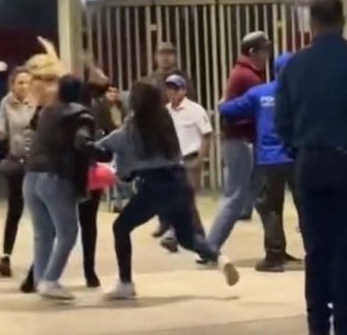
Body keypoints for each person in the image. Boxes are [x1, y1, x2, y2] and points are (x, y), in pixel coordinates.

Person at [275, 0, 347, 335]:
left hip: (310, 165)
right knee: (345, 249)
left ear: (311, 23)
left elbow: (281, 119)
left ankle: (316, 326)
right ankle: (345, 325)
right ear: (343, 20)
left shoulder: (294, 66)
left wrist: (298, 149)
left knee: (316, 251)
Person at [95, 81, 239, 300]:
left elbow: (112, 146)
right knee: (187, 237)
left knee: (120, 227)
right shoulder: (165, 120)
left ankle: (125, 283)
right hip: (180, 182)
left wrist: (88, 146)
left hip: (155, 186)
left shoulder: (134, 125)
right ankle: (220, 259)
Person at [219, 52, 302, 273]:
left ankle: (274, 257)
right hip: (297, 157)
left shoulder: (259, 93)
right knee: (306, 206)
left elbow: (227, 109)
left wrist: (223, 100)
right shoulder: (303, 94)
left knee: (270, 208)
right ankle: (316, 254)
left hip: (269, 159)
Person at [23, 74, 101, 300]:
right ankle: (51, 279)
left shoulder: (47, 111)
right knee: (68, 233)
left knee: (42, 233)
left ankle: (40, 280)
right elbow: (82, 142)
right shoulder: (82, 115)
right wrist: (101, 150)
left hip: (31, 176)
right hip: (56, 177)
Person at [204, 31, 268, 260]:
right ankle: (209, 247)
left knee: (255, 195)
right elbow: (234, 110)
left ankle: (274, 244)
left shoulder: (241, 73)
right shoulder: (247, 76)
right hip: (239, 141)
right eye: (264, 50)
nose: (266, 55)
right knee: (236, 196)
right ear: (252, 51)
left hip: (238, 141)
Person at [0, 67, 37, 277]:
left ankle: (41, 260)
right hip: (16, 162)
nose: (24, 86)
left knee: (39, 212)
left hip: (37, 163)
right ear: (12, 84)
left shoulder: (37, 102)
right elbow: (1, 127)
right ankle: (5, 256)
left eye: (27, 82)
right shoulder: (6, 102)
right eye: (20, 83)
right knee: (14, 209)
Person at [145, 42, 196, 237]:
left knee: (178, 181)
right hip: (156, 135)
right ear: (156, 57)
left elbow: (190, 102)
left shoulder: (183, 78)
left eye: (169, 54)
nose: (165, 57)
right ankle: (164, 220)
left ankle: (179, 224)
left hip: (178, 134)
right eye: (161, 53)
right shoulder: (150, 79)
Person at [160, 74, 212, 253]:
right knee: (180, 200)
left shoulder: (195, 110)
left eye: (174, 88)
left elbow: (206, 135)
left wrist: (201, 159)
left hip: (190, 158)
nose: (171, 92)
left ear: (183, 90)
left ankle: (175, 234)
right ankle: (198, 238)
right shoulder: (165, 111)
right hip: (172, 161)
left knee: (186, 199)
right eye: (168, 88)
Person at [92, 86, 131, 213]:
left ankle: (122, 199)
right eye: (110, 91)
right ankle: (117, 201)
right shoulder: (100, 107)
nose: (113, 94)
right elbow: (101, 126)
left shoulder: (122, 106)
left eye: (115, 92)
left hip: (123, 140)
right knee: (114, 170)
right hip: (109, 141)